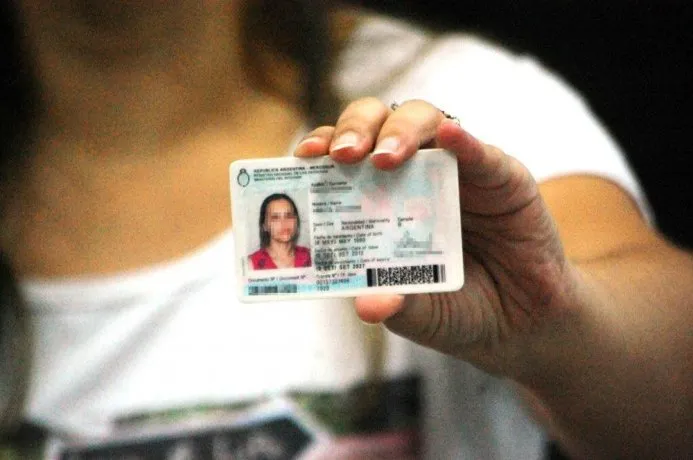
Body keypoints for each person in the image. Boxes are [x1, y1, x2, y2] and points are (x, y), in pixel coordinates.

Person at [1, 2, 689, 460]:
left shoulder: (459, 98)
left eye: (283, 216)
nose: (278, 223)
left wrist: (559, 316)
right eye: (273, 217)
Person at [248, 193, 312, 270]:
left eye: (289, 216)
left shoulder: (311, 257)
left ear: (296, 221)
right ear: (264, 226)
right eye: (275, 218)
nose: (284, 223)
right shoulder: (251, 264)